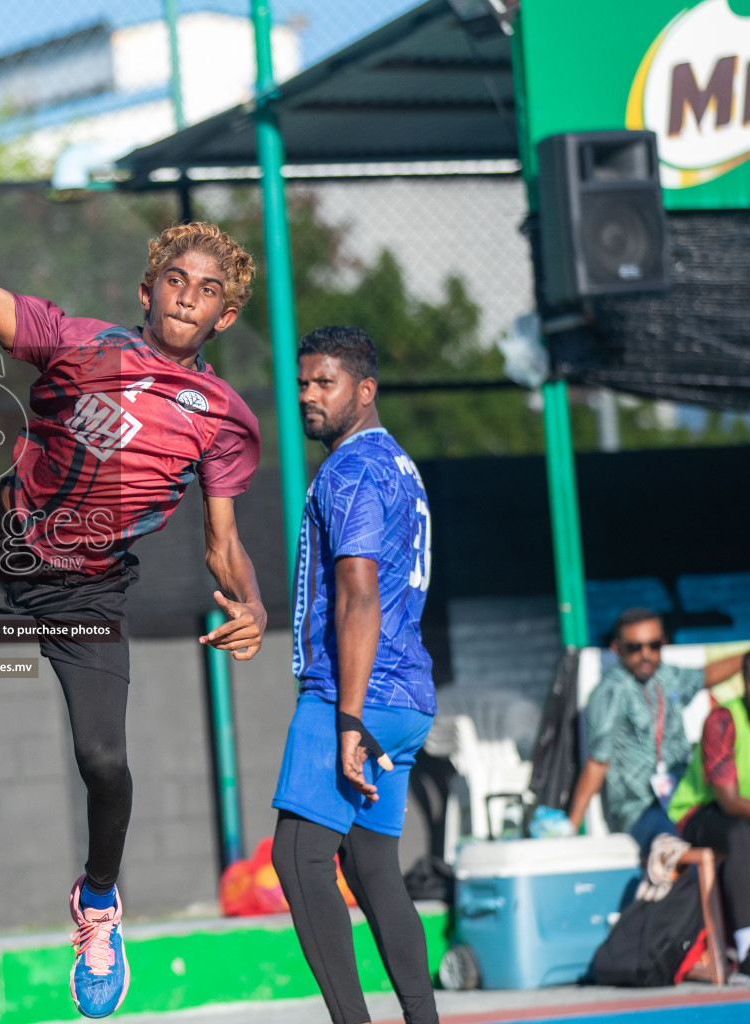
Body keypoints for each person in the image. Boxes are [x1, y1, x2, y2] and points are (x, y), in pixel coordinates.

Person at [0, 96, 267, 1019]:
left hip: (90, 590)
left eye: (208, 289)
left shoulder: (226, 420)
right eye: (176, 279)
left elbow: (222, 539)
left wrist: (255, 605)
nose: (189, 295)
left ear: (226, 315)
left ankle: (100, 903)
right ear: (147, 290)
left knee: (105, 762)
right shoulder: (79, 344)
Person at [270, 327, 439, 1024]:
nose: (309, 395)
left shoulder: (350, 470)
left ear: (363, 391)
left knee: (298, 858)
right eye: (304, 382)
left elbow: (359, 594)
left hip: (358, 695)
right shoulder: (397, 462)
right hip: (408, 698)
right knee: (372, 864)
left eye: (325, 383)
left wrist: (347, 717)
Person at [566, 608, 744, 852]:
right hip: (640, 809)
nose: (646, 655)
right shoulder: (610, 692)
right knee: (675, 850)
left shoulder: (667, 676)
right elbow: (598, 762)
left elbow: (707, 675)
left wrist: (746, 657)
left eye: (654, 645)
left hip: (682, 799)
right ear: (617, 648)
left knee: (737, 833)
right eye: (634, 648)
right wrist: (571, 828)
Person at [669, 650, 750, 974]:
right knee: (740, 833)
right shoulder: (723, 720)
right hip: (699, 812)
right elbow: (729, 800)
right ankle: (745, 947)